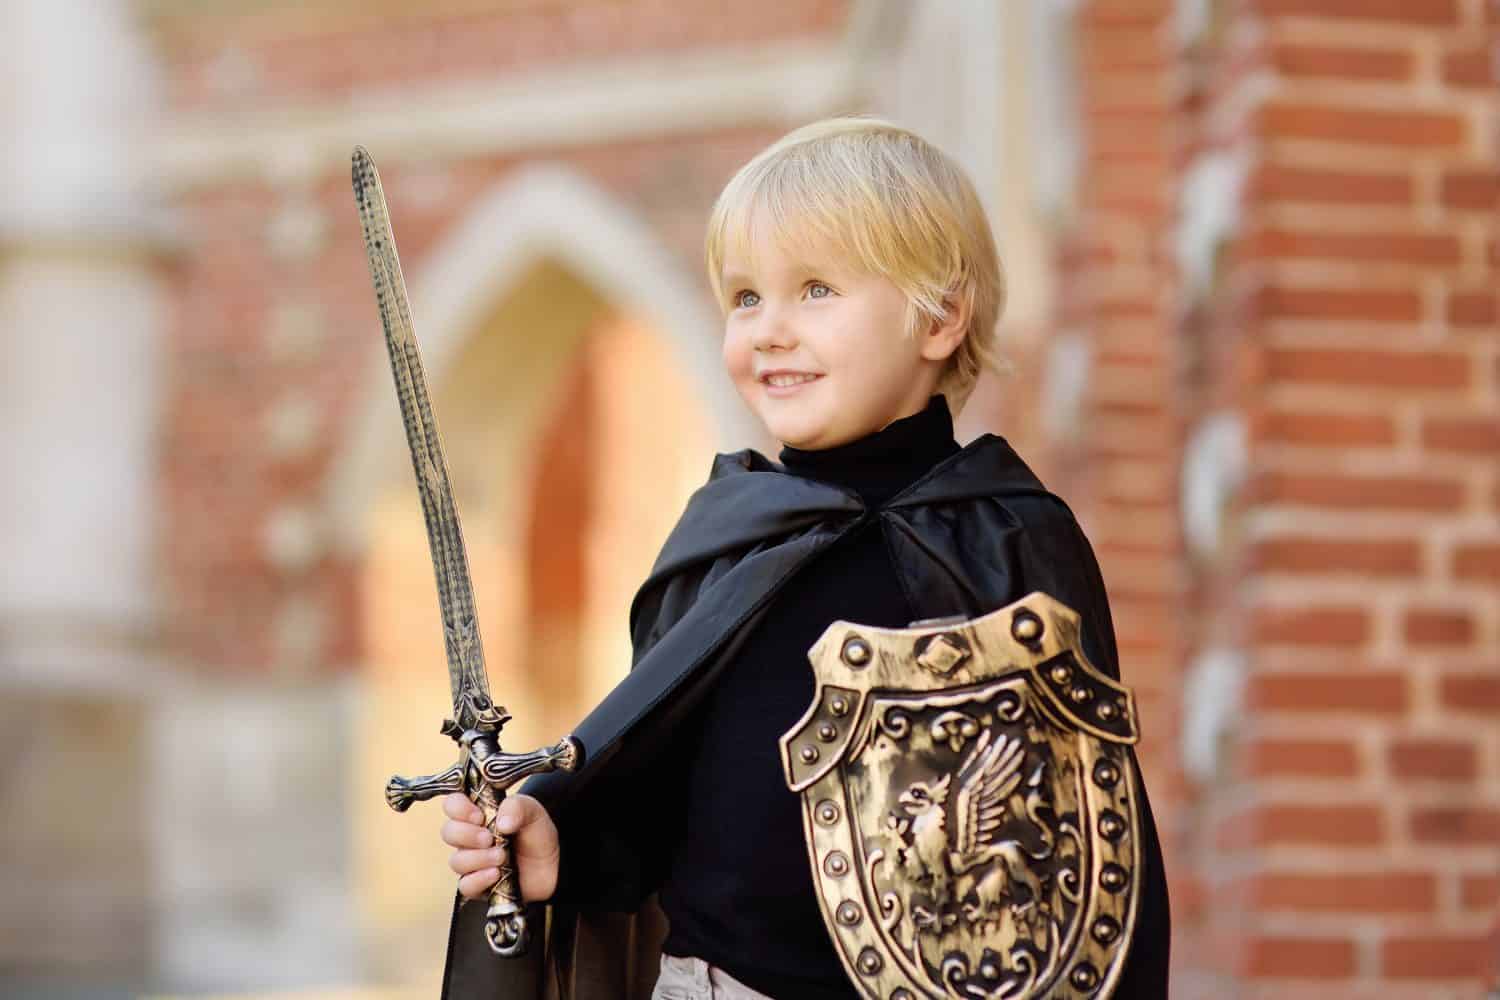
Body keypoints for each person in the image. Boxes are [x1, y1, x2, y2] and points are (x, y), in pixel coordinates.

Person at [436, 116, 1171, 999]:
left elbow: (1087, 849)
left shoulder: (1010, 539)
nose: (770, 330)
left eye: (816, 289)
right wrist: (566, 842)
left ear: (938, 317)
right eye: (745, 298)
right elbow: (656, 794)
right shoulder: (729, 535)